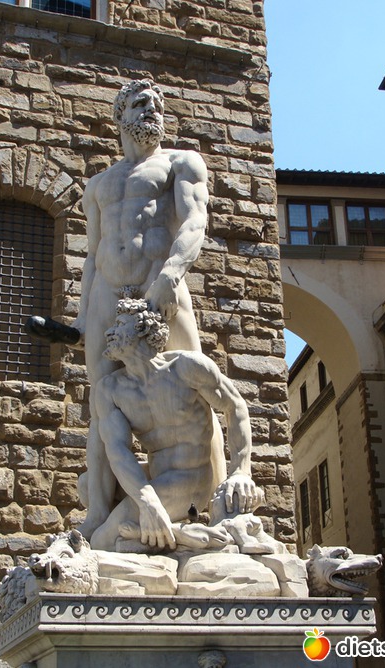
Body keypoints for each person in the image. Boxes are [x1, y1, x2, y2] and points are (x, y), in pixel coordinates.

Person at [72, 79, 225, 539]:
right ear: (120, 115)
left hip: (161, 285)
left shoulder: (181, 163)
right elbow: (92, 253)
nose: (152, 110)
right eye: (141, 104)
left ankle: (220, 509)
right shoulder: (98, 185)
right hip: (106, 295)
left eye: (157, 105)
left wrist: (170, 276)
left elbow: (195, 221)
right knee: (102, 403)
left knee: (198, 390)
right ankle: (98, 516)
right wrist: (81, 316)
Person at [91, 298, 261, 551]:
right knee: (87, 487)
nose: (109, 332)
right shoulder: (110, 389)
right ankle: (179, 534)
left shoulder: (186, 367)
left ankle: (165, 534)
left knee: (102, 541)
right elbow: (118, 452)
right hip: (157, 477)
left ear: (142, 329)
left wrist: (241, 471)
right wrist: (148, 503)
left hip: (191, 480)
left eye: (119, 324)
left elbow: (234, 407)